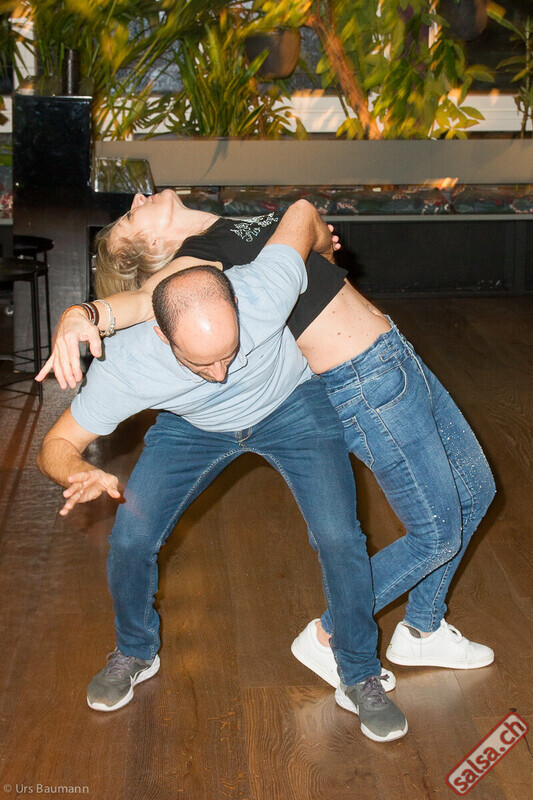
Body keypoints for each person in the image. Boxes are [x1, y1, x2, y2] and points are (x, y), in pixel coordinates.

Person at [38, 189, 496, 688]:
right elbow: (149, 299)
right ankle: (329, 634)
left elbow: (303, 215)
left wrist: (318, 251)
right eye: (132, 215)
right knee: (435, 532)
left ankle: (424, 627)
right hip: (363, 379)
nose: (139, 196)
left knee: (477, 491)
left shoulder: (226, 237)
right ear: (151, 248)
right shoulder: (193, 266)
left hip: (385, 357)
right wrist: (84, 314)